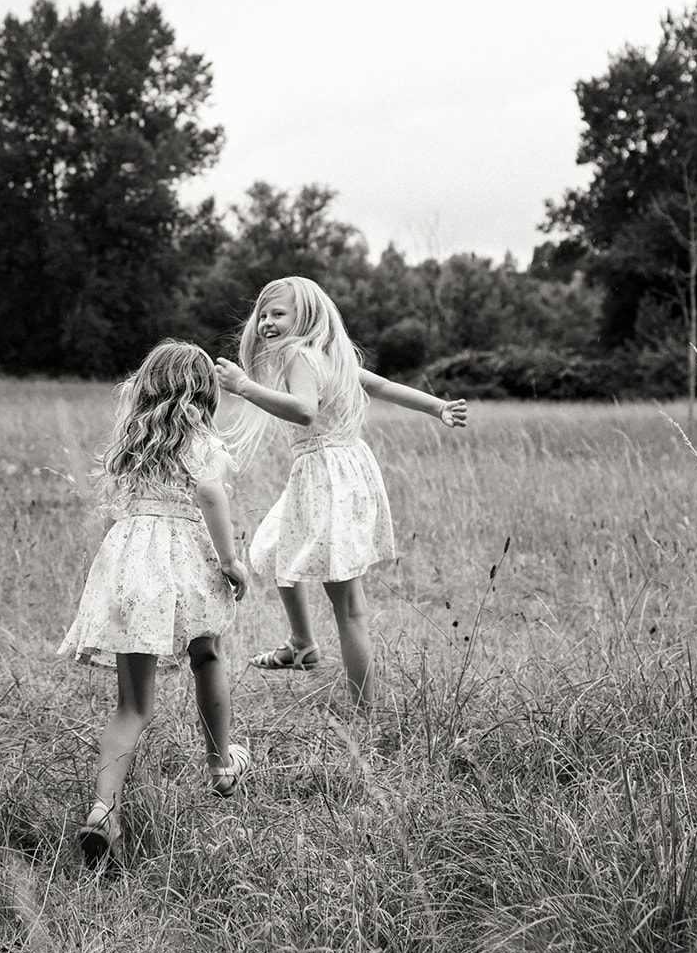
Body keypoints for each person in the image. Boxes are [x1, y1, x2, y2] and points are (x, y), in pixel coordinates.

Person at [215, 277, 466, 710]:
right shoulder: (331, 355)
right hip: (343, 471)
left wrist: (243, 387)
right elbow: (383, 387)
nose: (268, 323)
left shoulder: (298, 354)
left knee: (348, 606)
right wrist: (436, 406)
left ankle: (364, 710)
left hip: (326, 475)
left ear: (306, 316)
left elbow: (305, 412)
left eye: (280, 314)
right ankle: (302, 644)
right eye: (265, 315)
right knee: (273, 547)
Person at [60, 340, 250, 868]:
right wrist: (231, 560)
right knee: (207, 654)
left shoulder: (133, 435)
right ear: (204, 393)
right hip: (183, 562)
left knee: (131, 707)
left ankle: (103, 811)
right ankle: (219, 766)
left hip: (129, 564)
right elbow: (210, 494)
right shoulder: (200, 438)